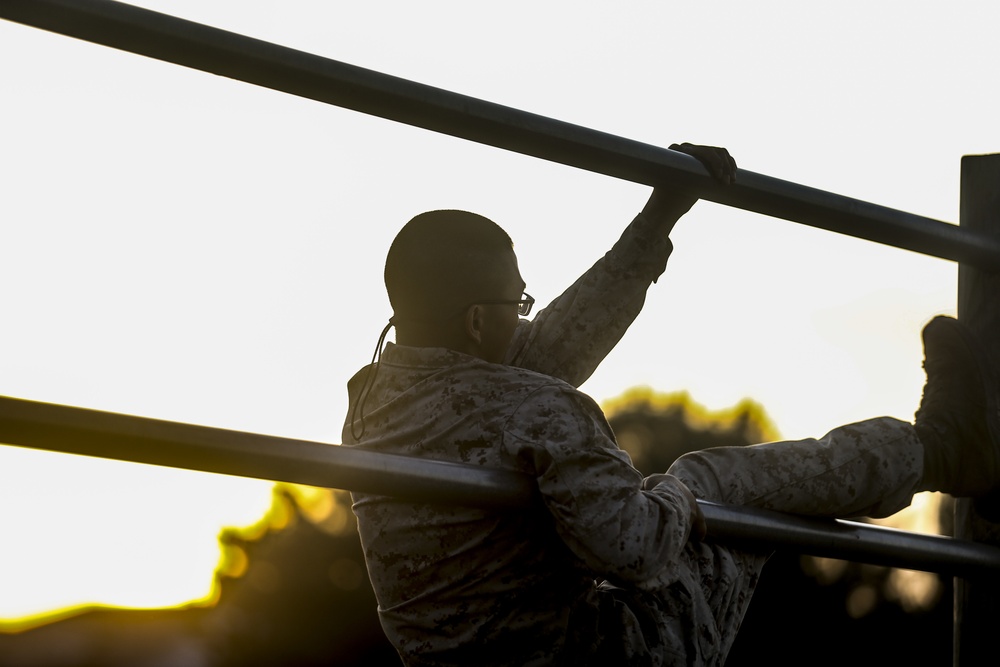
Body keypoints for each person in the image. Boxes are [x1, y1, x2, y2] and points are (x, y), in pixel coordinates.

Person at [341, 143, 1000, 666]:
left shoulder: (372, 406)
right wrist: (675, 490)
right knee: (714, 481)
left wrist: (658, 219)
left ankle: (930, 452)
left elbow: (526, 368)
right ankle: (941, 446)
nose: (527, 317)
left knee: (694, 486)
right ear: (479, 322)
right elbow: (635, 549)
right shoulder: (537, 409)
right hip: (611, 655)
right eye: (519, 304)